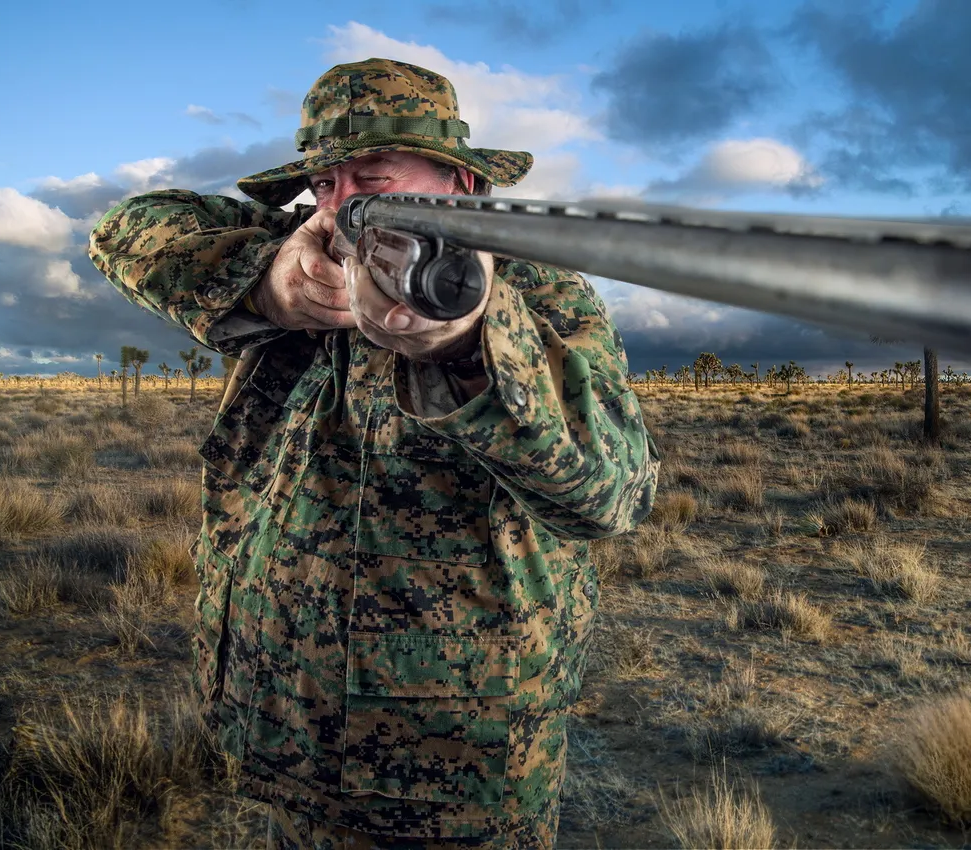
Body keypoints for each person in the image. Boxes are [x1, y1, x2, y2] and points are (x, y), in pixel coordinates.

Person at [88, 57, 659, 849]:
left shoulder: (539, 288)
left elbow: (612, 495)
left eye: (373, 174)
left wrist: (471, 346)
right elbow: (127, 225)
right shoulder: (306, 246)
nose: (342, 201)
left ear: (459, 182)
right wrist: (268, 285)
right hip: (281, 730)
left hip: (453, 766)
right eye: (326, 183)